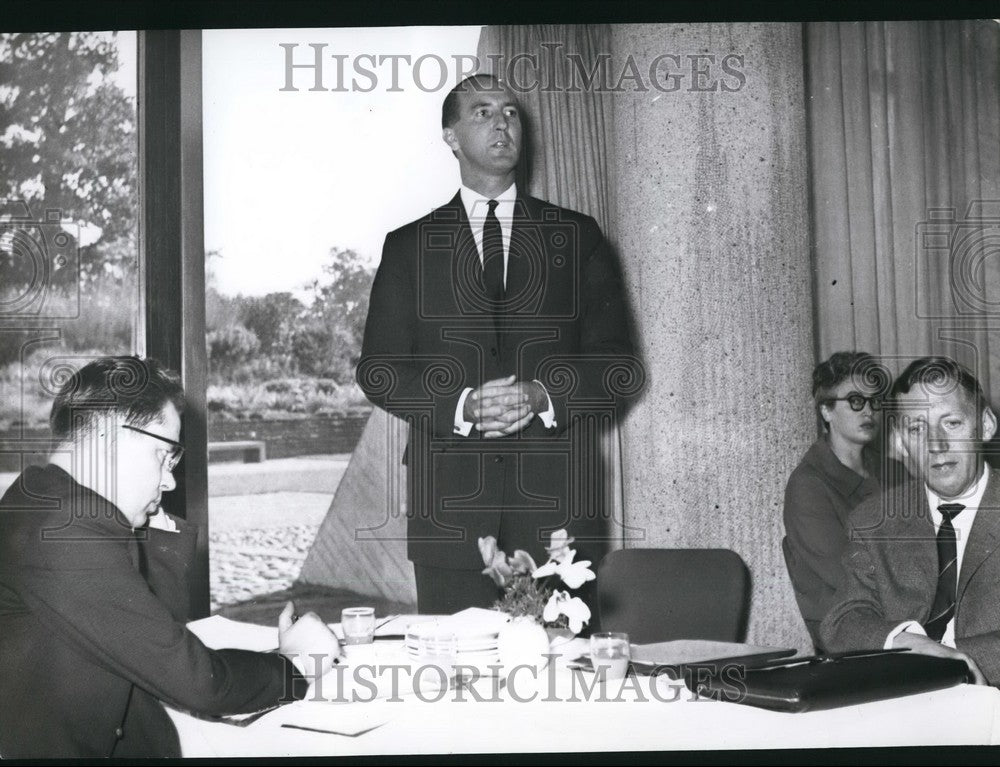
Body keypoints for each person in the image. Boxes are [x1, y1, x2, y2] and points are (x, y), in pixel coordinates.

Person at [356, 74, 636, 615]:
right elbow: (379, 370)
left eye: (510, 112)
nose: (502, 122)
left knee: (563, 680)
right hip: (452, 516)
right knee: (457, 685)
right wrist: (462, 406)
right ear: (451, 137)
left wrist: (541, 395)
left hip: (559, 512)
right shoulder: (409, 246)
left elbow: (618, 366)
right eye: (481, 112)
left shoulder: (577, 236)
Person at [0, 356, 341, 758]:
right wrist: (298, 664)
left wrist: (151, 528)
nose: (170, 479)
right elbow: (199, 683)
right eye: (163, 456)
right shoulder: (65, 530)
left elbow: (157, 641)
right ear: (110, 437)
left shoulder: (43, 499)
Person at [820, 356, 998, 684]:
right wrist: (907, 643)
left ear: (985, 425)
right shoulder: (875, 519)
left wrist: (955, 660)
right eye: (918, 428)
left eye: (952, 423)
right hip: (902, 696)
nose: (936, 445)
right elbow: (842, 621)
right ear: (902, 442)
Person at [782, 351, 888, 648]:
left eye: (874, 401)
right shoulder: (809, 486)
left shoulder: (896, 472)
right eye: (855, 401)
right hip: (853, 627)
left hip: (906, 612)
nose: (868, 410)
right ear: (826, 411)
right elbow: (849, 576)